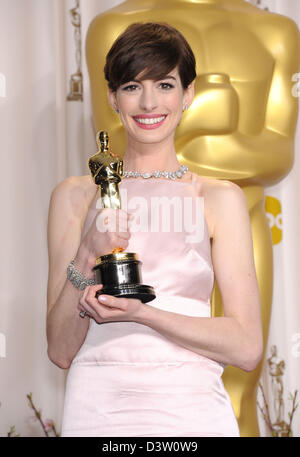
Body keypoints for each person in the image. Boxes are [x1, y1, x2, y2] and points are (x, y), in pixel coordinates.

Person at [46, 22, 263, 437]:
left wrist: (144, 314)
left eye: (164, 85)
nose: (148, 103)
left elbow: (247, 347)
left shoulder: (218, 198)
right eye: (132, 86)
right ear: (112, 96)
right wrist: (86, 254)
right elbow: (58, 349)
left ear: (188, 94)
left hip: (193, 411)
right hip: (97, 408)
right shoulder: (74, 197)